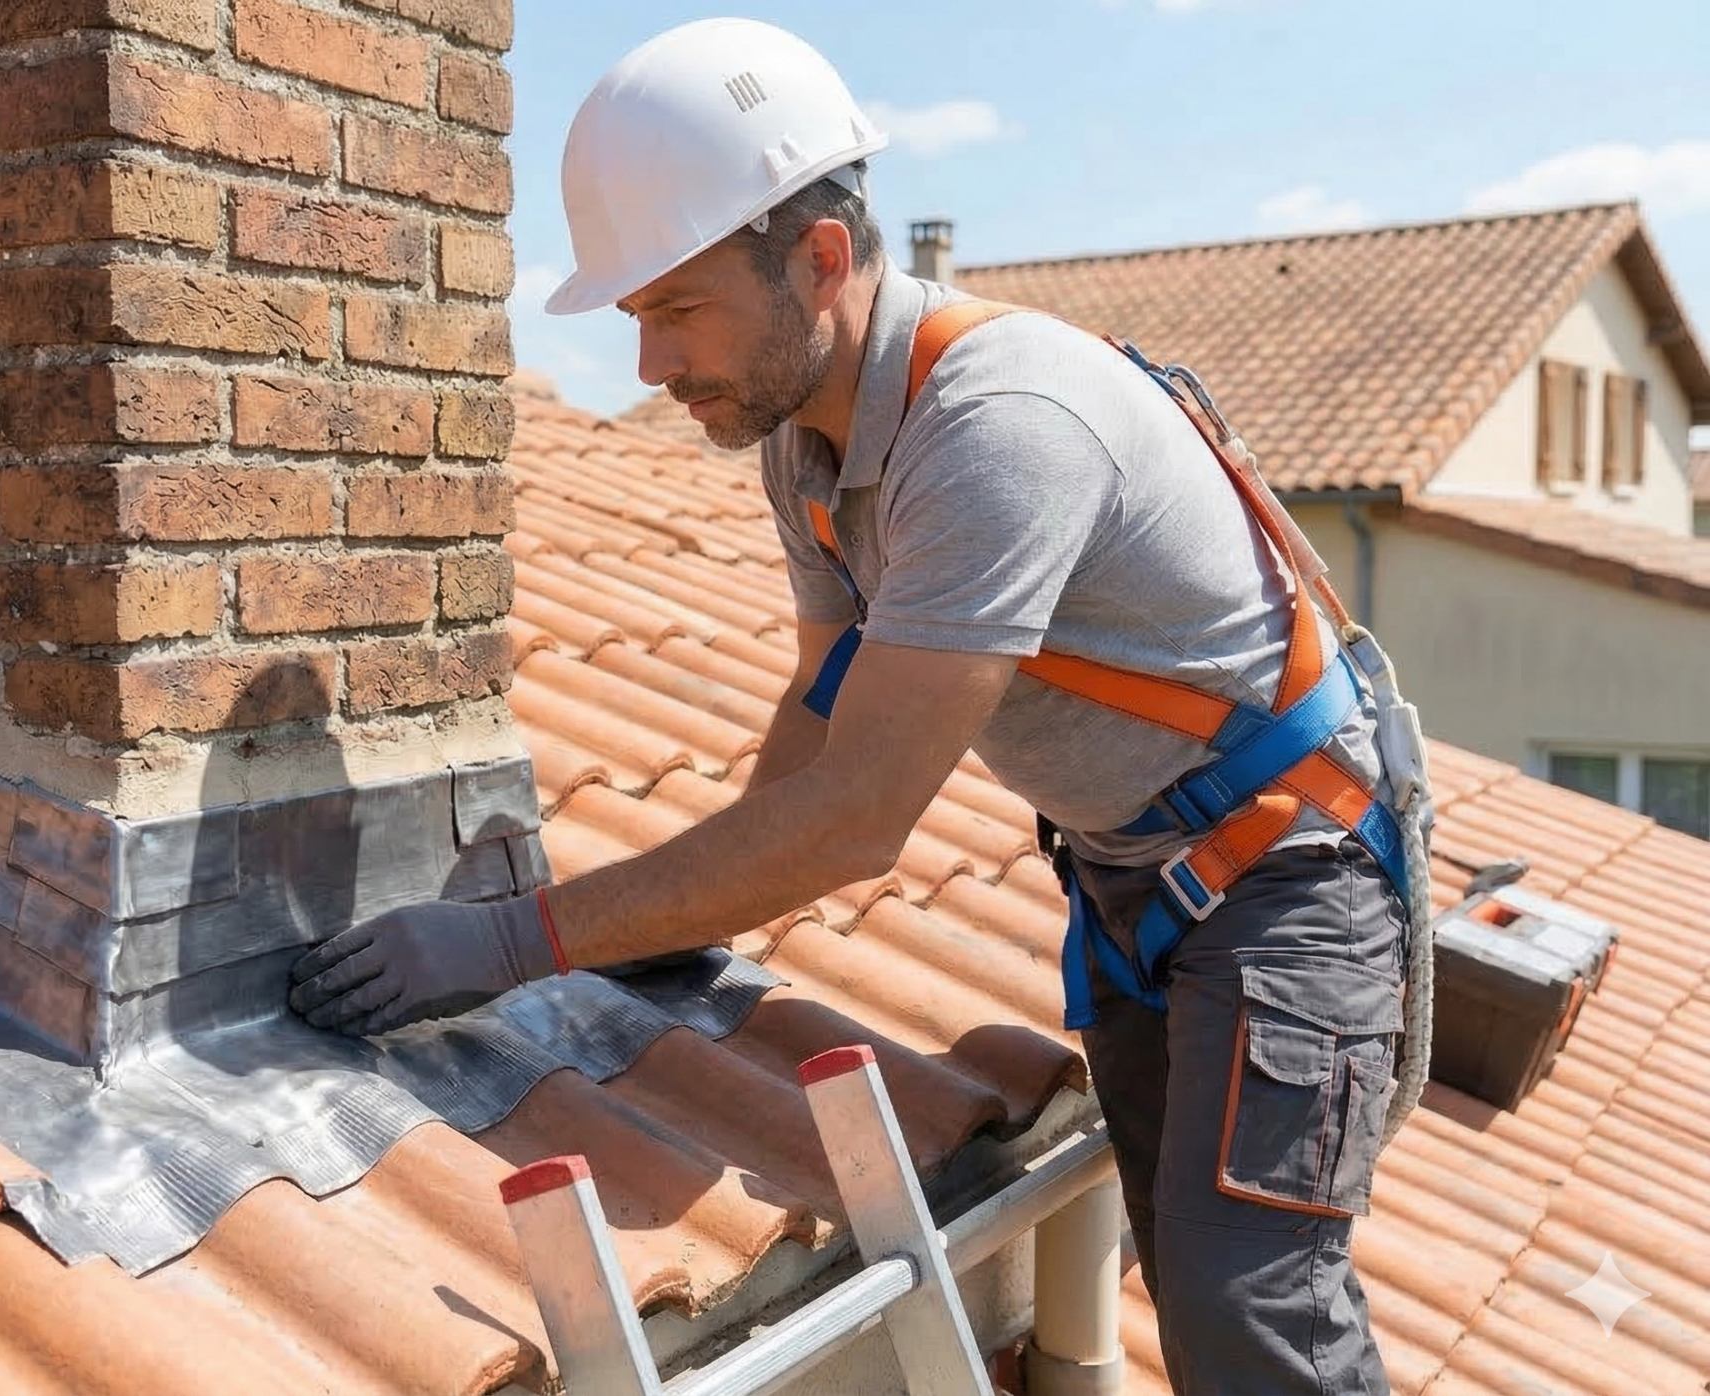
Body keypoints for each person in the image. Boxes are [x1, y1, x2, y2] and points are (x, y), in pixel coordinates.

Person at [287, 18, 1437, 1395]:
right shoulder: (809, 449)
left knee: (1250, 1314)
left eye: (674, 308)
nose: (650, 364)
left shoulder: (998, 432)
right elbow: (821, 714)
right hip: (1147, 895)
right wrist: (681, 915)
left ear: (818, 262)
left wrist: (515, 938)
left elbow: (857, 818)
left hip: (1288, 883)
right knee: (1180, 1265)